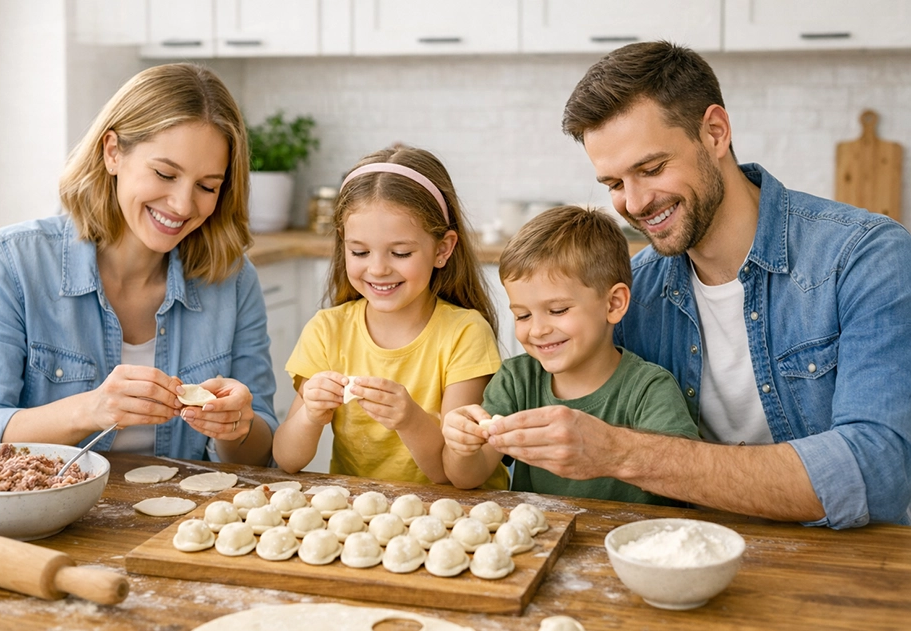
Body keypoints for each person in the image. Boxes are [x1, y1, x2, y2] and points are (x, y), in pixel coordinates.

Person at [473, 39, 911, 528]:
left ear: (716, 133)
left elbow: (879, 471)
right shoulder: (632, 293)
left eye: (652, 168)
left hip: (841, 562)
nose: (635, 204)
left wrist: (622, 453)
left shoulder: (865, 257)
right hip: (679, 551)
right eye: (614, 184)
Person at [0, 63, 277, 465]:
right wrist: (91, 410)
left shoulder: (232, 280)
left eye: (207, 186)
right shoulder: (11, 263)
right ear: (113, 152)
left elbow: (261, 453)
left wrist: (237, 427)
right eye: (165, 173)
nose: (182, 205)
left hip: (181, 522)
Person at [272, 145, 508, 488]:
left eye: (400, 252)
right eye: (360, 251)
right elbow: (287, 459)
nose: (378, 269)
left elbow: (455, 475)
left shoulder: (465, 333)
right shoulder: (328, 330)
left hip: (455, 512)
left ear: (442, 249)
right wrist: (310, 414)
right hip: (364, 516)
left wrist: (411, 420)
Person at [442, 205, 698, 504]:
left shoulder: (649, 390)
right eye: (522, 316)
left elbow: (681, 481)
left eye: (558, 310)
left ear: (614, 304)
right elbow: (467, 478)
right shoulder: (516, 380)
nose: (537, 330)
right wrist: (461, 448)